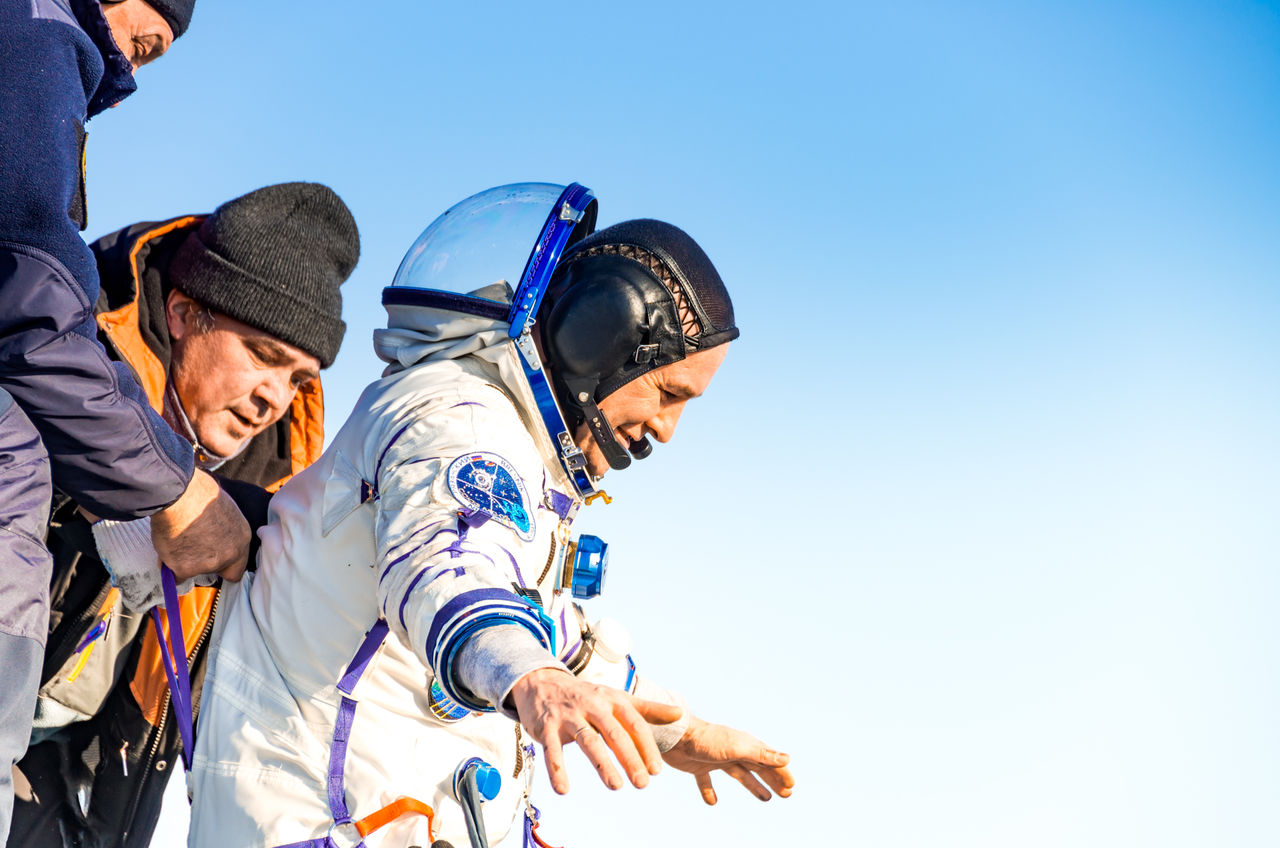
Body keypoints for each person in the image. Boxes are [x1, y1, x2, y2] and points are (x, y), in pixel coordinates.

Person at [188, 183, 794, 848]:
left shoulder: (512, 445)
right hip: (326, 822)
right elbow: (447, 569)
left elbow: (541, 622)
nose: (669, 429)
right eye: (667, 392)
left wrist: (677, 732)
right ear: (600, 340)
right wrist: (533, 681)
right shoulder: (460, 426)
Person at [7, 182, 360, 848]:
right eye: (263, 356)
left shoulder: (262, 509)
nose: (273, 400)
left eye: (298, 381)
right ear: (180, 312)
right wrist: (126, 498)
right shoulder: (53, 352)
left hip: (49, 760)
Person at [0, 0, 252, 838]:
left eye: (300, 378)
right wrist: (169, 491)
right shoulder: (40, 38)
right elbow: (31, 300)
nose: (135, 72)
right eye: (143, 40)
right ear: (182, 316)